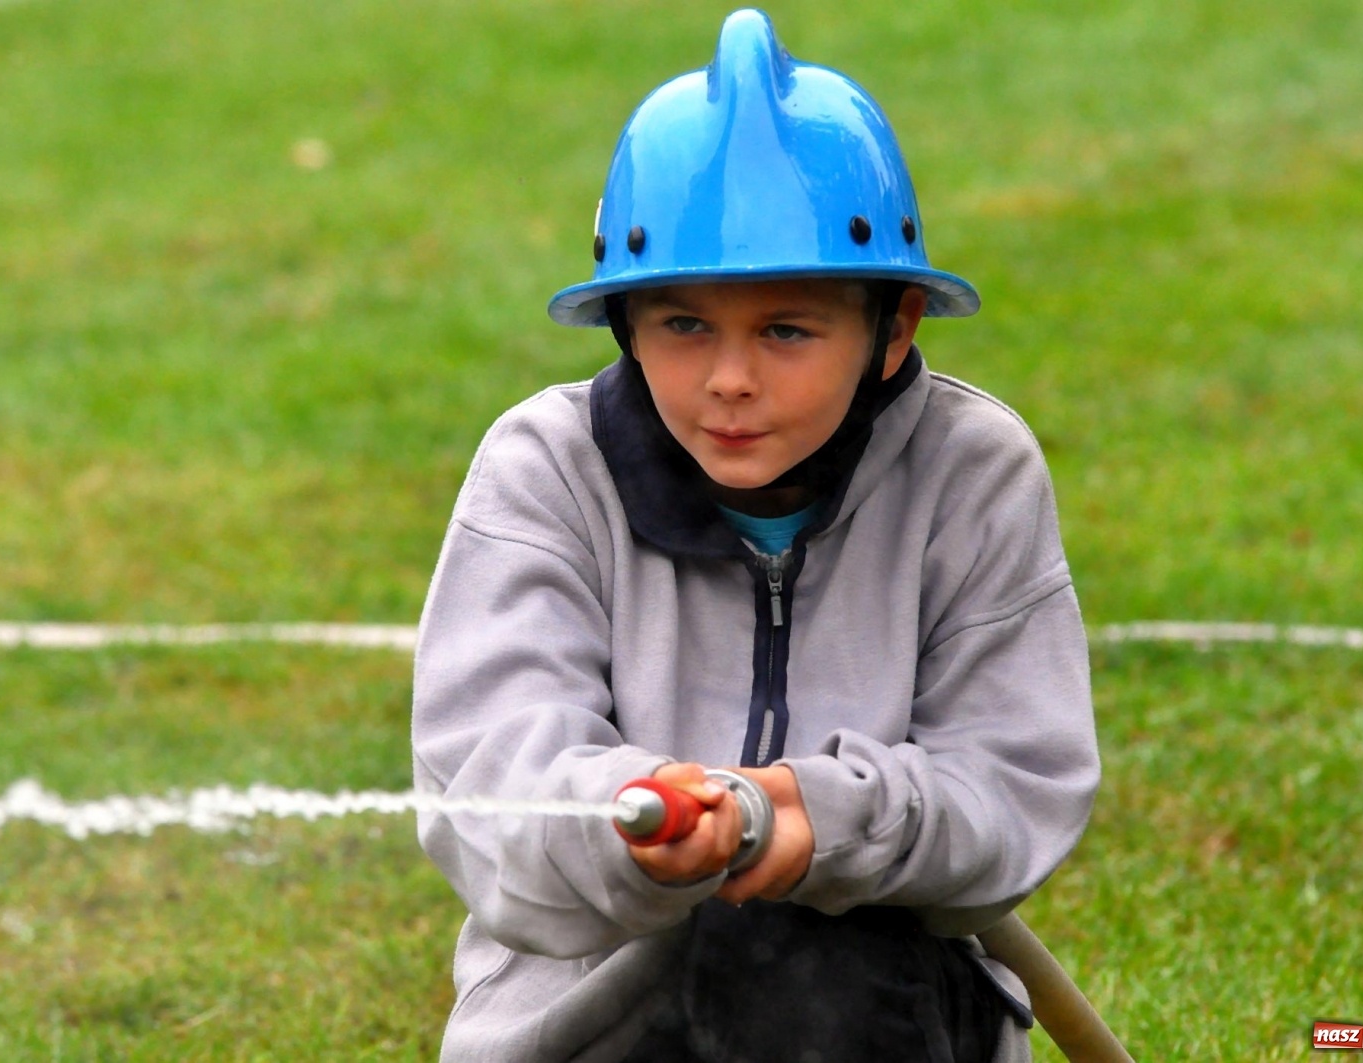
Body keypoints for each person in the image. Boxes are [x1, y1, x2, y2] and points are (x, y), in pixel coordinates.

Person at [411, 9, 1100, 1062]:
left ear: (895, 326)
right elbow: (489, 790)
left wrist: (815, 817)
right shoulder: (543, 468)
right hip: (586, 1024)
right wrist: (638, 827)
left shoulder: (971, 470)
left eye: (786, 330)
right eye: (684, 326)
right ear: (624, 327)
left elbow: (1014, 785)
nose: (730, 380)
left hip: (878, 1004)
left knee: (809, 966)